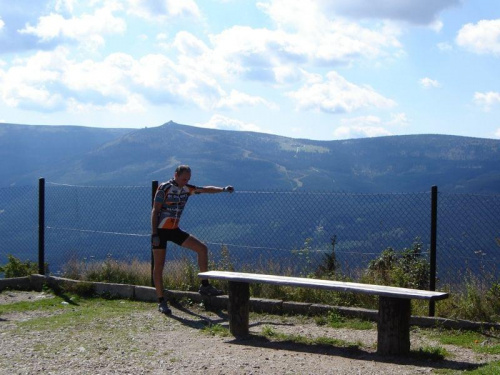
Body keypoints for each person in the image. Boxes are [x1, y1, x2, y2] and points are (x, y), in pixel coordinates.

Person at [151, 165, 234, 314]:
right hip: (161, 232)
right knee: (159, 267)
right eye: (183, 179)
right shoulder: (164, 188)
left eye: (188, 179)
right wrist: (154, 234)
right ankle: (161, 301)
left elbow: (205, 189)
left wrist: (222, 189)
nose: (185, 181)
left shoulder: (186, 189)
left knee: (202, 249)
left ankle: (205, 285)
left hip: (174, 230)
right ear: (175, 175)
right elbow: (155, 210)